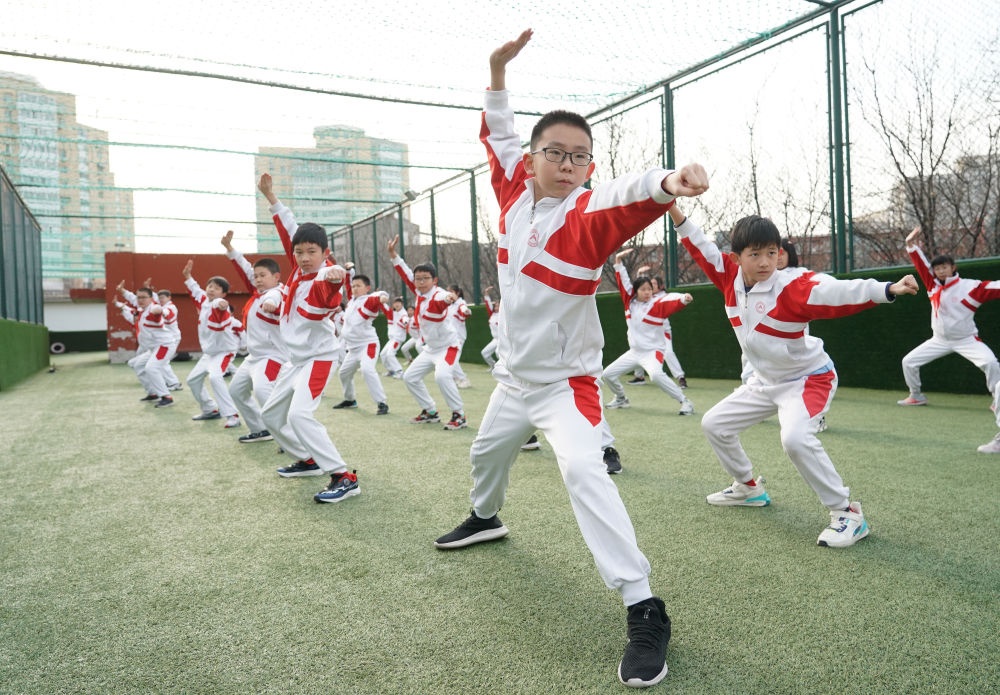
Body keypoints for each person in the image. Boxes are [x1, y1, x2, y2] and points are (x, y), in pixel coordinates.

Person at [433, 30, 710, 689]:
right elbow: (499, 131)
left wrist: (671, 180)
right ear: (531, 161)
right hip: (511, 380)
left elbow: (628, 193)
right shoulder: (510, 192)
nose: (567, 162)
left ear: (588, 165)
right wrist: (496, 70)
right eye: (554, 152)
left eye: (579, 156)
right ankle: (487, 517)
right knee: (483, 458)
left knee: (586, 470)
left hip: (565, 385)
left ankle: (644, 605)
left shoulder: (588, 214)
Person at [672, 202, 918, 549]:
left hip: (808, 378)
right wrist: (673, 209)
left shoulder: (793, 286)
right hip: (764, 381)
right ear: (737, 256)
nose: (765, 262)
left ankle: (847, 514)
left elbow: (836, 290)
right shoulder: (728, 275)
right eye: (755, 254)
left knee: (795, 439)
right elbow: (700, 246)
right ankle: (748, 488)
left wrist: (887, 289)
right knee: (714, 424)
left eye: (772, 253)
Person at [256, 172, 360, 503]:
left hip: (319, 357)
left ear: (324, 252)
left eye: (311, 252)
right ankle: (310, 458)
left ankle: (343, 476)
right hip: (296, 360)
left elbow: (331, 288)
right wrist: (272, 199)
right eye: (299, 252)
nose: (303, 257)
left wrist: (334, 276)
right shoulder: (298, 271)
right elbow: (290, 230)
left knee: (300, 414)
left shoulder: (323, 279)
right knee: (271, 415)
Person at [897, 226, 1000, 407]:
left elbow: (994, 287)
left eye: (944, 267)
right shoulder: (932, 286)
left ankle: (997, 399)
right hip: (939, 340)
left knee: (991, 363)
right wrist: (910, 245)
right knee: (908, 362)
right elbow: (921, 265)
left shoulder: (970, 287)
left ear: (953, 267)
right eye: (937, 268)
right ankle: (916, 396)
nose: (941, 271)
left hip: (966, 340)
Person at [387, 235, 467, 430]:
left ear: (435, 280)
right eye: (418, 279)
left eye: (426, 278)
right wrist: (393, 255)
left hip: (449, 346)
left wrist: (449, 298)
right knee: (410, 377)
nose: (421, 282)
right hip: (431, 349)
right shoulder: (418, 292)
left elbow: (441, 300)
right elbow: (405, 273)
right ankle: (430, 411)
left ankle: (459, 415)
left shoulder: (438, 294)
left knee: (442, 376)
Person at [603, 248, 694, 416]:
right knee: (607, 374)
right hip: (634, 352)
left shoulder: (657, 304)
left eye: (649, 289)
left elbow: (670, 299)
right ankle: (621, 398)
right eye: (643, 289)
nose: (647, 292)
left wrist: (683, 298)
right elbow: (624, 284)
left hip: (653, 352)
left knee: (656, 375)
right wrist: (618, 262)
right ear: (636, 291)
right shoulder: (629, 304)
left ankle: (685, 401)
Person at [221, 230, 287, 443]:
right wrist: (230, 249)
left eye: (262, 276)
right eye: (256, 276)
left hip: (273, 356)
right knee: (236, 391)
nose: (257, 279)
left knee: (263, 391)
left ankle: (289, 438)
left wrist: (273, 303)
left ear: (276, 277)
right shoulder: (257, 293)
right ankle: (260, 429)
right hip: (253, 357)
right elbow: (245, 268)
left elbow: (277, 296)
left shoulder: (280, 293)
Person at [182, 260, 243, 428]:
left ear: (223, 294)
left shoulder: (219, 305)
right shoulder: (203, 300)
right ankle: (210, 409)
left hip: (224, 351)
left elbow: (218, 304)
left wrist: (222, 305)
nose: (211, 289)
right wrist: (187, 276)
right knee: (193, 380)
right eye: (210, 286)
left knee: (216, 377)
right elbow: (195, 289)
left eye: (216, 288)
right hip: (209, 353)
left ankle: (233, 415)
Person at [332, 268, 391, 415]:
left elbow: (381, 296)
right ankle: (350, 400)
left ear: (367, 288)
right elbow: (347, 284)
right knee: (343, 373)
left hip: (367, 345)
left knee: (367, 369)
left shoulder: (368, 300)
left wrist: (383, 297)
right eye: (353, 286)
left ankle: (382, 403)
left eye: (358, 286)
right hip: (352, 348)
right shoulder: (352, 301)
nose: (354, 288)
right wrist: (348, 271)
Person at [627, 270, 689, 389]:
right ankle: (639, 377)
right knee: (637, 350)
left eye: (654, 284)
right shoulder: (644, 297)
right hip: (646, 333)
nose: (651, 286)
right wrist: (640, 274)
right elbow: (637, 287)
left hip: (661, 333)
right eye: (650, 284)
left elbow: (673, 297)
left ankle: (681, 378)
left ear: (660, 286)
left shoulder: (662, 296)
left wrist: (683, 297)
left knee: (669, 353)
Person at [447, 284, 473, 389]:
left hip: (458, 337)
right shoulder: (450, 305)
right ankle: (456, 379)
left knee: (452, 359)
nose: (449, 294)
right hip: (449, 337)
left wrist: (466, 311)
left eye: (451, 292)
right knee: (449, 359)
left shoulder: (460, 303)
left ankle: (463, 379)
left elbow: (464, 310)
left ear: (457, 293)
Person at [380, 296, 409, 379]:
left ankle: (399, 371)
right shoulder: (392, 313)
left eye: (398, 302)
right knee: (383, 354)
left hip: (397, 339)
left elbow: (405, 318)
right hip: (392, 339)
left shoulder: (403, 313)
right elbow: (384, 306)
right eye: (395, 303)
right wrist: (381, 298)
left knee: (390, 354)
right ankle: (391, 371)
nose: (396, 304)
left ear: (402, 304)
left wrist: (406, 322)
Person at [480, 286, 500, 368]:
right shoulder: (492, 315)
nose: (496, 308)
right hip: (495, 339)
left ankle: (505, 370)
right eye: (495, 306)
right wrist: (486, 293)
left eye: (498, 306)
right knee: (484, 353)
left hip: (503, 339)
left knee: (498, 353)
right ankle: (493, 366)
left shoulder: (504, 315)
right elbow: (488, 305)